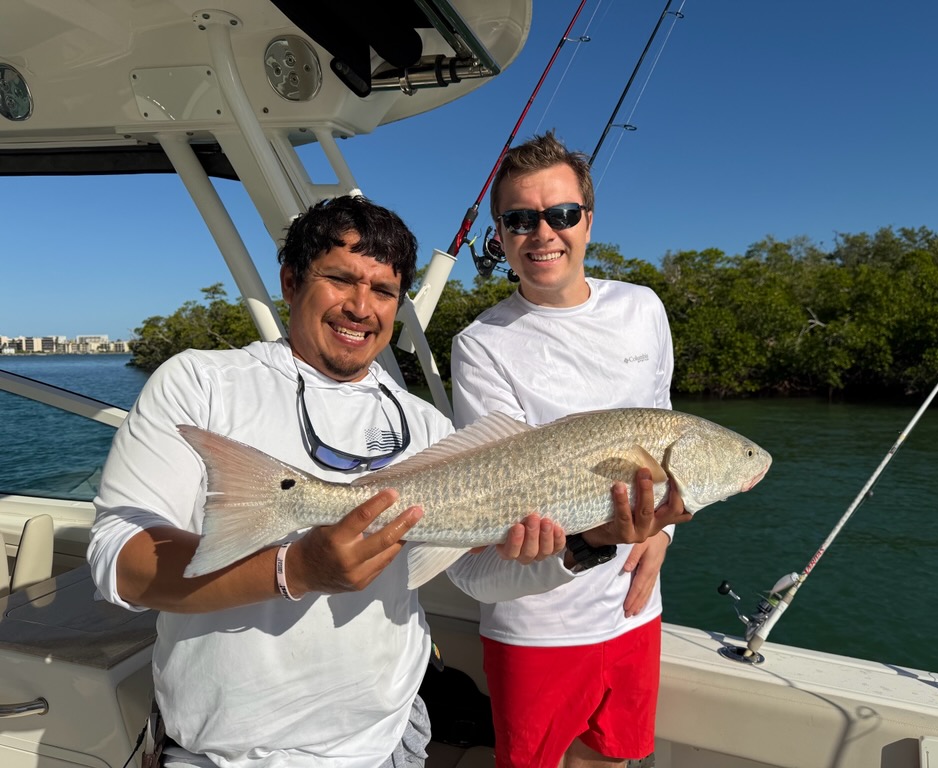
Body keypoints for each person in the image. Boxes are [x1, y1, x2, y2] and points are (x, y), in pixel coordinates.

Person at [88, 195, 674, 768]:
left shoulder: (424, 425)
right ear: (291, 282)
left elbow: (471, 574)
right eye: (340, 279)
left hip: (389, 743)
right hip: (222, 752)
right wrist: (295, 570)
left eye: (384, 291)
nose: (361, 307)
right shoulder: (200, 384)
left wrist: (584, 543)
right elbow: (119, 561)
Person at [448, 132, 686, 768]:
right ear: (498, 236)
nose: (543, 233)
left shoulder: (643, 308)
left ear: (588, 221)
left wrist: (662, 535)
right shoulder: (481, 343)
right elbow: (495, 484)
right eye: (520, 219)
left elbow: (665, 435)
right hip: (539, 619)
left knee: (616, 759)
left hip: (637, 609)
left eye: (561, 214)